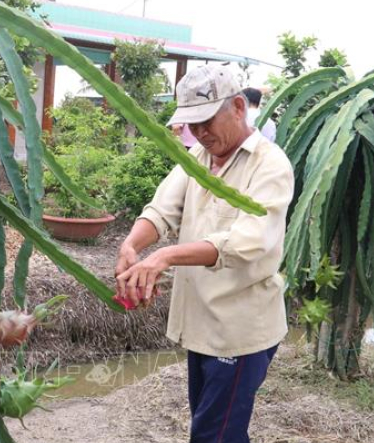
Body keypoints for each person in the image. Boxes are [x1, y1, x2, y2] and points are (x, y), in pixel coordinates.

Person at [115, 65, 294, 443]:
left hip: (239, 330)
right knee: (213, 427)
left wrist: (164, 257)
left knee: (215, 434)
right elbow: (163, 209)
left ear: (239, 107)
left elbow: (250, 240)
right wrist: (132, 244)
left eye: (206, 121)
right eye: (192, 124)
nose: (199, 133)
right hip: (201, 325)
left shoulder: (270, 165)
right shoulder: (198, 158)